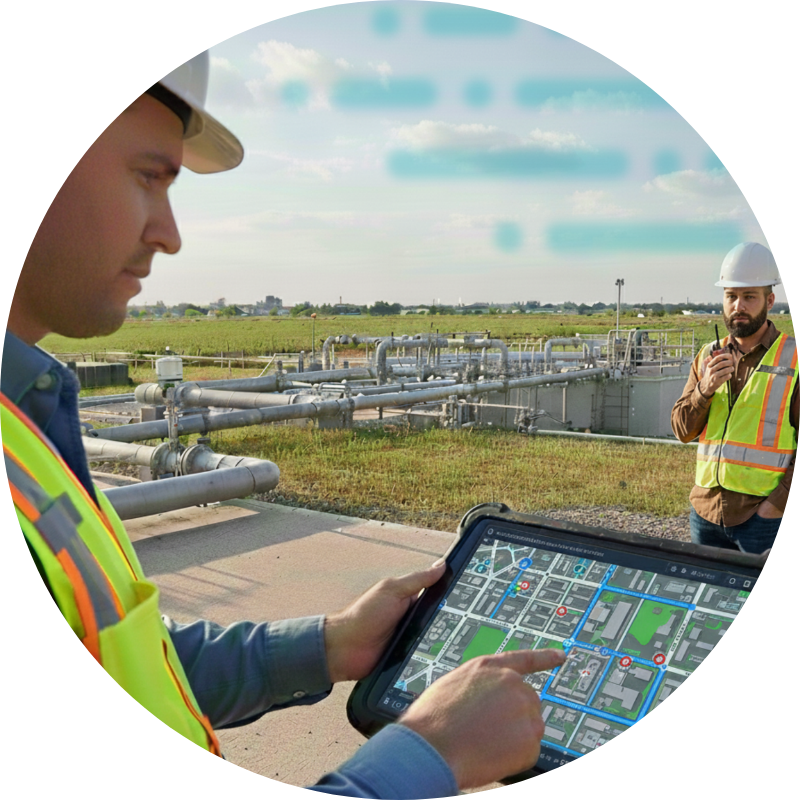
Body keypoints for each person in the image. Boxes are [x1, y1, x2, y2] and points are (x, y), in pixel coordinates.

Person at [4, 52, 565, 794]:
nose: (169, 235)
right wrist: (429, 755)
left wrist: (332, 644)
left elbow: (135, 662)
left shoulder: (27, 422)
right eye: (148, 176)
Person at [671, 242, 796, 554]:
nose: (738, 305)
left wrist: (776, 505)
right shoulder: (706, 356)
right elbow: (681, 430)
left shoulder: (793, 360)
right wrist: (705, 389)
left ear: (769, 300)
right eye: (731, 296)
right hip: (705, 513)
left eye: (749, 296)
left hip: (762, 519)